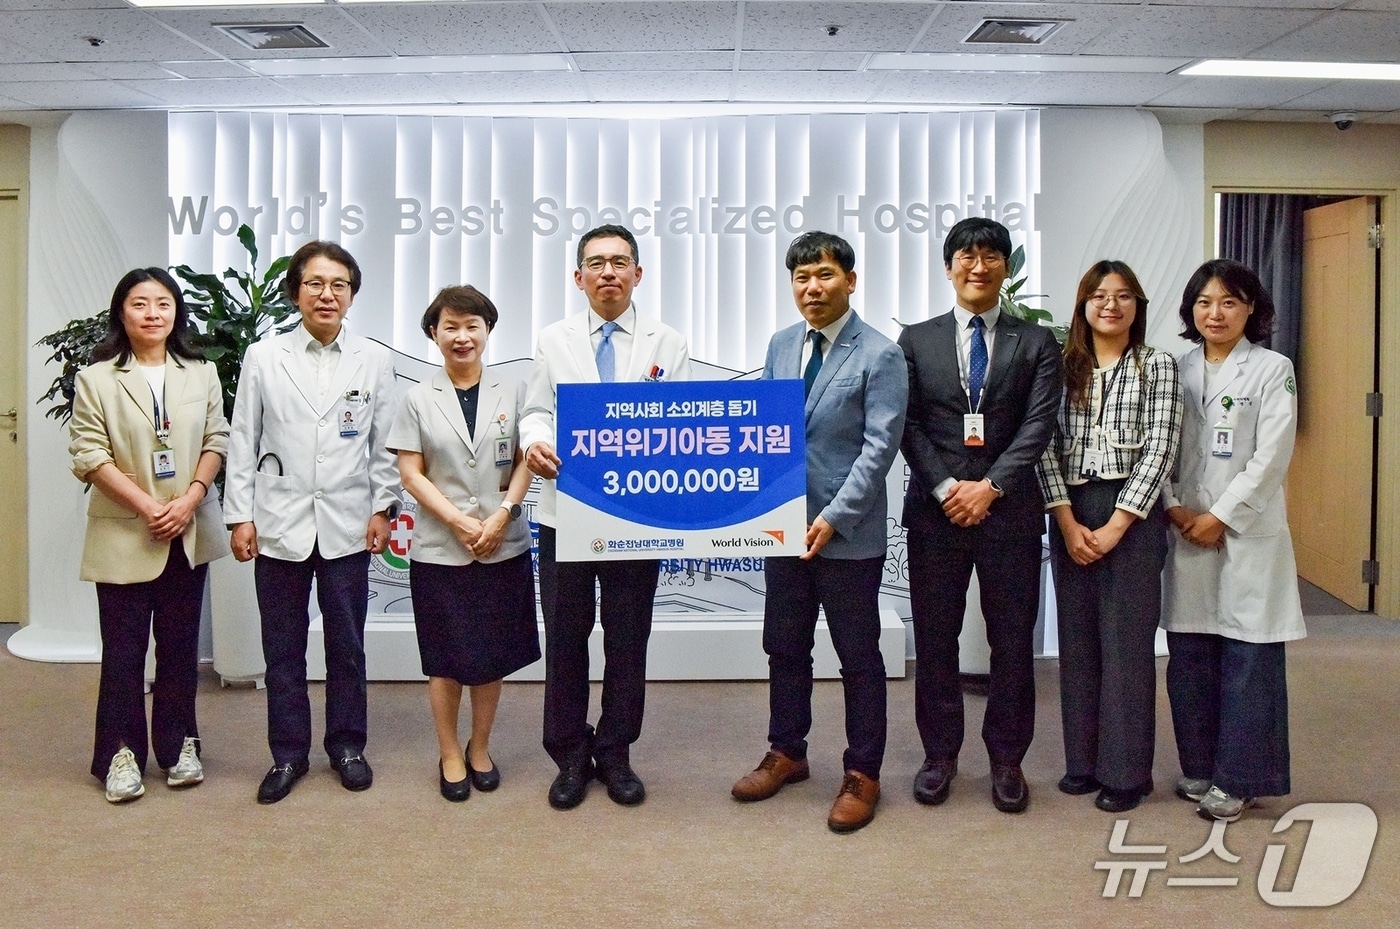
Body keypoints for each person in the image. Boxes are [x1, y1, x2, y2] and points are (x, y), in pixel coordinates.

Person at [730, 231, 907, 834]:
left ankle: (863, 771)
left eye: (825, 275)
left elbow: (879, 450)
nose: (812, 288)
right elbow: (765, 429)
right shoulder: (781, 344)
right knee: (784, 645)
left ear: (850, 281)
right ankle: (787, 751)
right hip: (783, 530)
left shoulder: (880, 353)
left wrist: (833, 517)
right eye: (801, 278)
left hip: (846, 534)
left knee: (858, 656)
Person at [520, 224, 692, 810]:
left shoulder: (669, 342)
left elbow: (681, 421)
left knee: (627, 638)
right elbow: (536, 410)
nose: (608, 272)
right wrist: (536, 442)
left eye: (620, 262)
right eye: (596, 263)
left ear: (637, 274)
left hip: (636, 518)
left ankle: (616, 751)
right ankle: (569, 754)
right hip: (566, 513)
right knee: (566, 638)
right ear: (579, 277)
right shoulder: (554, 339)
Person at [224, 241, 400, 804]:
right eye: (315, 284)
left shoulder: (373, 359)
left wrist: (382, 508)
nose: (327, 295)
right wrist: (240, 516)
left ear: (352, 295)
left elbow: (385, 445)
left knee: (347, 646)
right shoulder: (264, 356)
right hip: (279, 521)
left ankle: (347, 747)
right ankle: (288, 754)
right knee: (283, 648)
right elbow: (243, 438)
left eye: (339, 285)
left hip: (348, 521)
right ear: (296, 291)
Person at [898, 217, 1061, 813]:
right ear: (949, 268)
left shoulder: (1036, 342)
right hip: (936, 513)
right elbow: (906, 422)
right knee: (935, 639)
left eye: (991, 256)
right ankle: (939, 755)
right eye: (966, 256)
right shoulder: (915, 340)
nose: (978, 266)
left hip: (1008, 513)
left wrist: (990, 487)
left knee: (1011, 642)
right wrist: (947, 487)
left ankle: (1007, 759)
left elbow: (1038, 424)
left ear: (1005, 268)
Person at [68, 268, 229, 802]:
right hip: (125, 532)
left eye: (163, 303)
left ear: (176, 312)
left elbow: (217, 439)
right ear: (122, 312)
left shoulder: (202, 373)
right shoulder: (96, 378)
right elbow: (88, 453)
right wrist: (148, 506)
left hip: (186, 529)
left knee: (180, 649)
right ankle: (119, 754)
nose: (152, 313)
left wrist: (190, 499)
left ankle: (180, 744)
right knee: (124, 652)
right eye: (140, 303)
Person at [1035, 261, 1181, 813]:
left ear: (1137, 305)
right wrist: (1066, 521)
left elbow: (1161, 447)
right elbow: (1043, 444)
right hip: (1070, 510)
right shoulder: (1061, 367)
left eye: (1123, 296)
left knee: (1126, 647)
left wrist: (1119, 524)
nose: (1111, 305)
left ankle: (1127, 774)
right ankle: (1083, 763)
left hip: (1133, 516)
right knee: (1077, 643)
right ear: (1083, 305)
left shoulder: (1156, 365)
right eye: (1099, 296)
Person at [1161, 258, 1304, 823]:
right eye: (1204, 302)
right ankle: (1199, 766)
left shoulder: (1272, 369)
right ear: (1190, 310)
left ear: (1251, 309)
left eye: (1228, 302)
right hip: (1185, 528)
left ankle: (1241, 779)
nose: (1215, 313)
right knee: (1191, 656)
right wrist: (1173, 506)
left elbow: (1272, 457)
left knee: (1249, 659)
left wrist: (1220, 516)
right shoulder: (1174, 369)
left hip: (1246, 533)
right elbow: (1159, 447)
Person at [388, 286, 539, 802]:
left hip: (503, 542)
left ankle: (481, 747)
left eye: (472, 325)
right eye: (450, 326)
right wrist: (457, 521)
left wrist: (503, 515)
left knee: (491, 655)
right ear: (434, 333)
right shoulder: (417, 397)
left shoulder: (514, 390)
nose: (462, 336)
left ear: (487, 331)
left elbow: (525, 458)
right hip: (440, 548)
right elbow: (410, 473)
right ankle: (449, 751)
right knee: (445, 657)